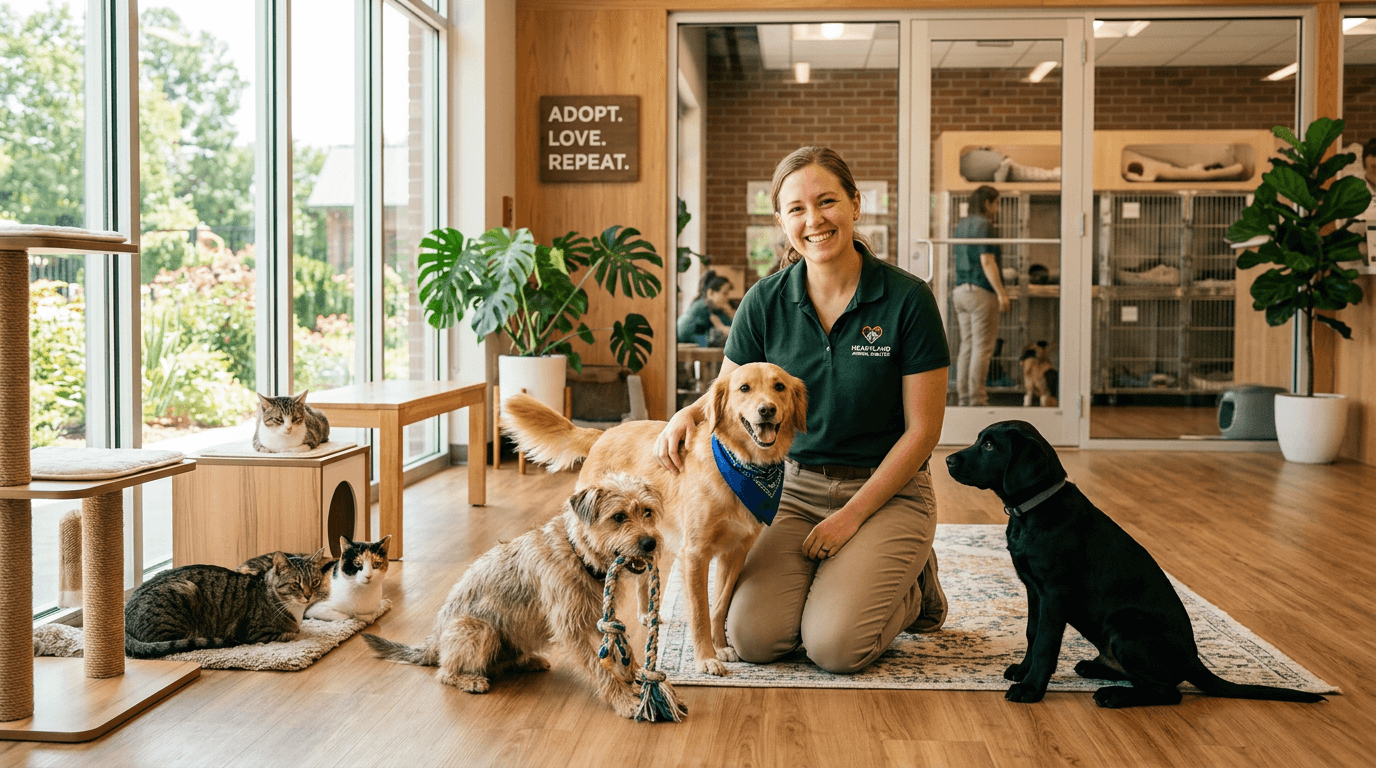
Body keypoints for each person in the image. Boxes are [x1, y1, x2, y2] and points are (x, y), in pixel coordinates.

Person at [653, 146, 950, 674]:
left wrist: (851, 517)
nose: (813, 220)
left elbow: (923, 433)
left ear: (855, 205)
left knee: (834, 647)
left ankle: (913, 589)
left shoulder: (908, 300)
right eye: (796, 209)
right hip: (792, 487)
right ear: (781, 221)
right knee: (754, 639)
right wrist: (687, 414)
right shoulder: (764, 300)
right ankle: (845, 579)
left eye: (827, 202)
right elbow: (730, 388)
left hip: (885, 492)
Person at [951, 184, 1011, 407]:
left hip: (960, 291)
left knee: (967, 345)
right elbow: (987, 261)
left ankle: (964, 397)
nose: (997, 209)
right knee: (982, 348)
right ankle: (977, 399)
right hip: (981, 291)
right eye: (996, 203)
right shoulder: (986, 225)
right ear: (988, 203)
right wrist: (1002, 293)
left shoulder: (961, 225)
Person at [676, 270, 735, 346]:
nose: (727, 298)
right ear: (711, 293)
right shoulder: (702, 307)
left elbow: (734, 331)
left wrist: (731, 314)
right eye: (724, 293)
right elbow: (681, 333)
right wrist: (708, 341)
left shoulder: (716, 309)